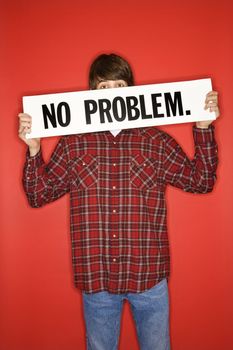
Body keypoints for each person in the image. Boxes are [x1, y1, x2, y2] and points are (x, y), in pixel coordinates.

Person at [18, 53, 219, 350]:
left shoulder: (155, 141)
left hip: (149, 278)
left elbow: (201, 181)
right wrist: (35, 150)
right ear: (92, 94)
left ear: (132, 90)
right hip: (97, 282)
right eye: (103, 87)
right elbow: (38, 195)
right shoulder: (74, 143)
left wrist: (203, 127)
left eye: (119, 84)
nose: (112, 92)